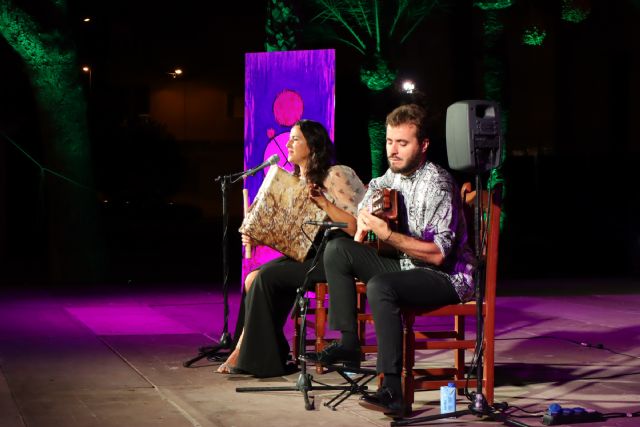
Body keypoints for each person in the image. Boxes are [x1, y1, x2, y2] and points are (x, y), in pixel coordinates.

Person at [304, 104, 475, 415]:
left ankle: (392, 390)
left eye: (402, 143)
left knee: (382, 286)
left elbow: (438, 255)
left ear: (423, 145)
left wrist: (387, 235)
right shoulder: (391, 175)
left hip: (446, 276)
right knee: (337, 248)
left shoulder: (438, 184)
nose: (393, 151)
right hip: (405, 265)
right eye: (389, 142)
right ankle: (348, 343)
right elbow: (371, 203)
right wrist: (365, 219)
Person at [216, 119, 366, 377]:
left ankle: (259, 360)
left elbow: (356, 229)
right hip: (308, 254)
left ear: (313, 145)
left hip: (334, 257)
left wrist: (323, 202)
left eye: (296, 138)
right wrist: (258, 237)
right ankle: (261, 351)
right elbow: (293, 236)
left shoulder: (336, 174)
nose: (288, 143)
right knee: (252, 279)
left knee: (265, 279)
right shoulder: (294, 182)